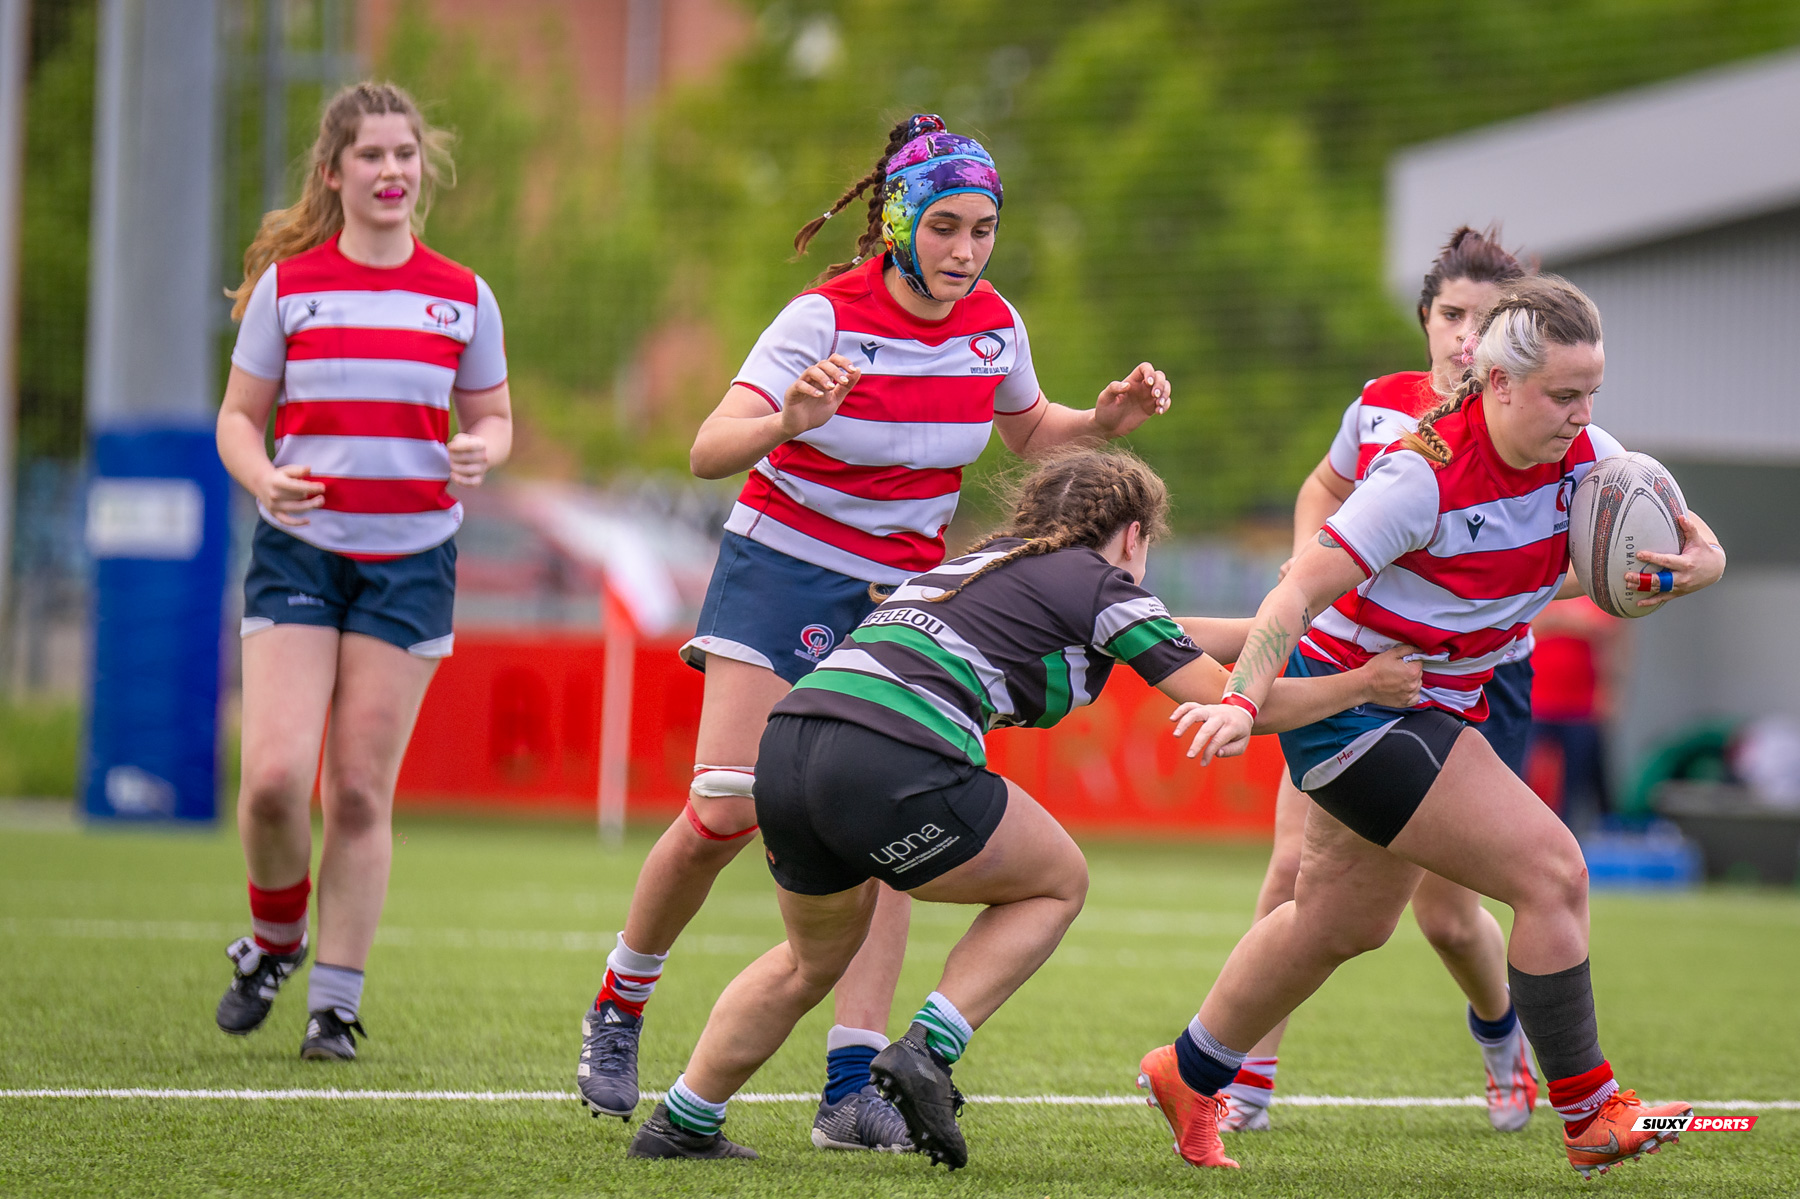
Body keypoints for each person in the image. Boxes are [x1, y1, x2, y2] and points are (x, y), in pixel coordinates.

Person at [576, 114, 1177, 1150]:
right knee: (725, 808)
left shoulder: (994, 322)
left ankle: (849, 1090)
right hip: (783, 566)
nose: (965, 250)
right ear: (898, 219)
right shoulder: (824, 317)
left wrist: (1104, 420)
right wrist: (785, 423)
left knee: (875, 830)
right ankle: (622, 1000)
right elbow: (709, 448)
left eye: (983, 229)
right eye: (945, 225)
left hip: (902, 587)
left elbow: (1030, 429)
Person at [621, 449, 1423, 1166]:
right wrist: (1364, 685)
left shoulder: (991, 563)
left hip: (790, 745)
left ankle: (685, 1117)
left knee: (807, 962)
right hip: (887, 751)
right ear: (1134, 535)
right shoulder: (1097, 582)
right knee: (1056, 880)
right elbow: (1230, 697)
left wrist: (1300, 612)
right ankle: (927, 1052)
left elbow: (1207, 634)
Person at [1137, 276, 1726, 1178]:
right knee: (1553, 870)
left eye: (1592, 391)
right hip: (1354, 705)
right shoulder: (1421, 474)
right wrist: (1243, 699)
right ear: (1496, 383)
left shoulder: (1594, 461)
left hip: (1431, 704)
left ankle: (1189, 1069)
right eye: (1563, 394)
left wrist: (1701, 564)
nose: (1583, 414)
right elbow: (1295, 589)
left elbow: (1644, 548)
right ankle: (1591, 1110)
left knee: (1337, 921)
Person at [212, 83, 511, 1061]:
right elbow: (237, 420)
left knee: (355, 791)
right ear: (333, 171)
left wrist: (483, 448)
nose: (391, 170)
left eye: (405, 154)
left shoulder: (463, 294)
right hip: (301, 552)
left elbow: (496, 418)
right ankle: (275, 937)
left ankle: (333, 1002)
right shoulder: (288, 289)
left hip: (411, 564)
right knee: (271, 781)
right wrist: (264, 477)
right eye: (371, 154)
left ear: (422, 169)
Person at [1223, 227, 1539, 1134]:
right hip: (1356, 669)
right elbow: (1322, 489)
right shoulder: (1379, 410)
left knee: (1445, 913)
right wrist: (1305, 573)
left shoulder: (1541, 431)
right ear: (1426, 318)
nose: (1466, 339)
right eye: (1450, 315)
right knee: (1292, 869)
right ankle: (1246, 1076)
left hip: (1477, 684)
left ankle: (1499, 1035)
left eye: (1487, 321)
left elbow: (1555, 556)